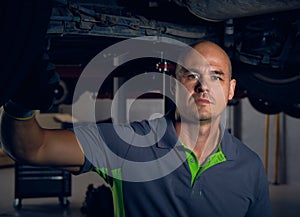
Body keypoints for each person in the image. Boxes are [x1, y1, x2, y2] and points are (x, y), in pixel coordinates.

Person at [1, 40, 273, 217]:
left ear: (230, 90)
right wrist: (20, 104)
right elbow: (33, 148)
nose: (203, 85)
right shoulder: (128, 143)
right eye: (192, 75)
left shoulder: (249, 167)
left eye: (216, 76)